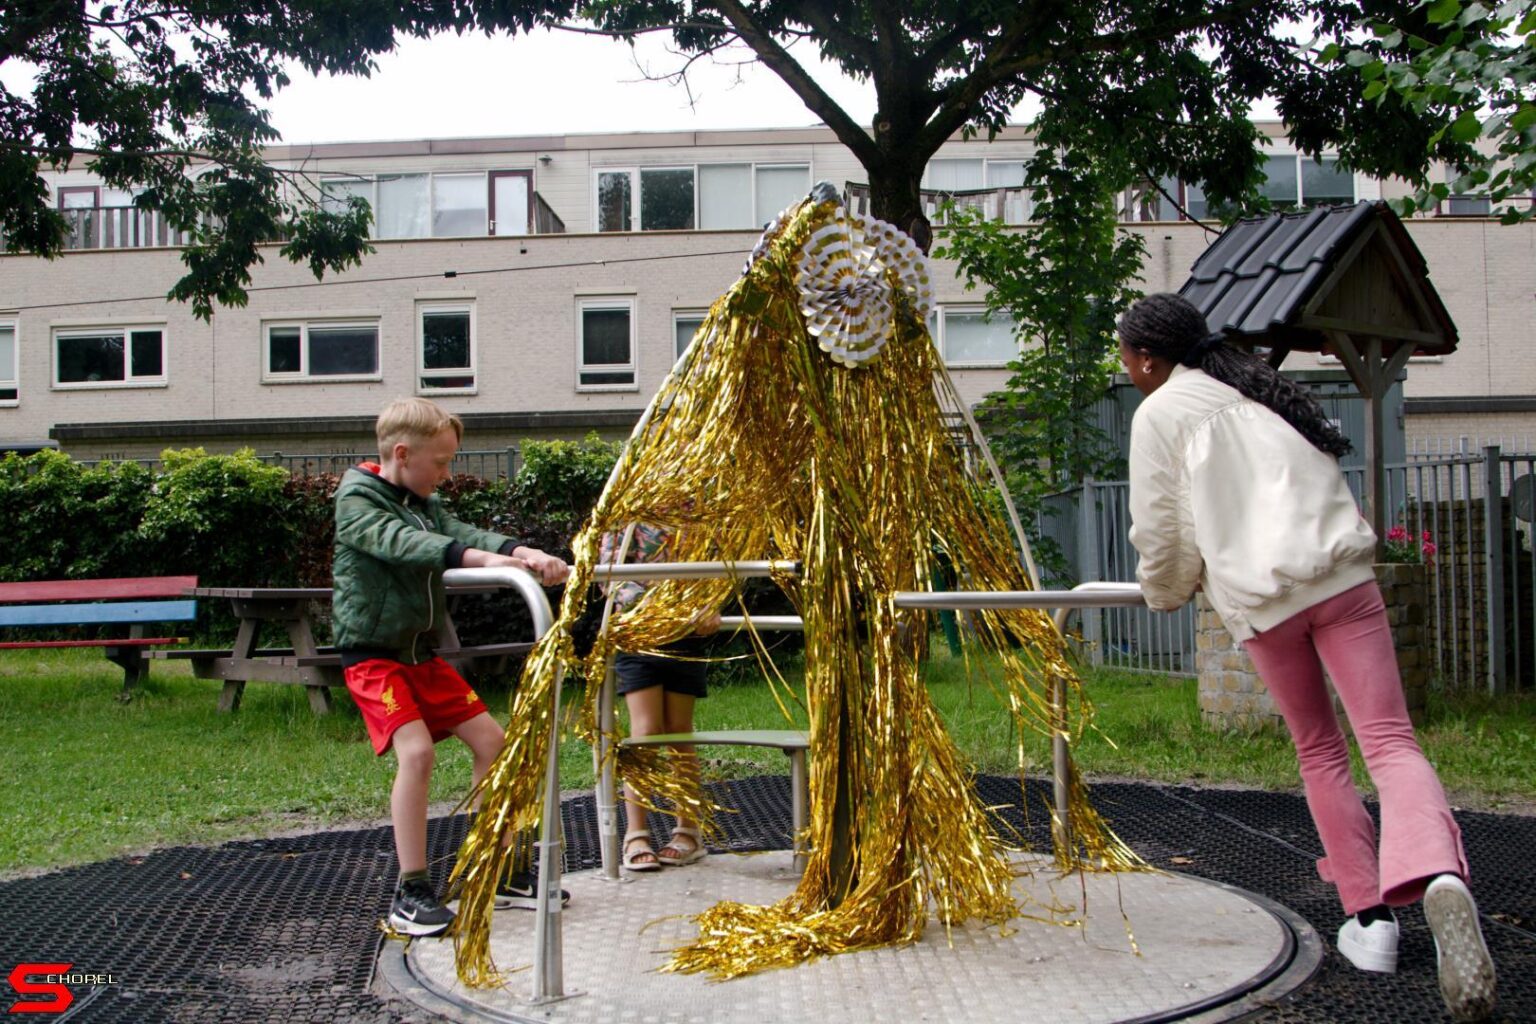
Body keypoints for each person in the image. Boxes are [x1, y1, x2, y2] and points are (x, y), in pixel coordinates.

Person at [1118, 293, 1497, 1022]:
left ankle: (1369, 922)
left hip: (1266, 603)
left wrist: (1165, 593)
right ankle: (1440, 875)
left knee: (1320, 750)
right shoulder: (1263, 391)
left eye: (1127, 356)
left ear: (1146, 359)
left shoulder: (1161, 413)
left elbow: (1162, 531)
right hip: (1343, 578)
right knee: (1389, 741)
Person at [333, 397, 571, 937]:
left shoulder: (422, 500)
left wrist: (520, 550)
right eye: (440, 462)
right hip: (374, 656)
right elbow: (401, 544)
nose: (446, 473)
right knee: (416, 753)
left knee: (493, 742)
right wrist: (483, 561)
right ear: (401, 453)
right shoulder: (359, 499)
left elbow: (463, 533)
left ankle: (497, 866)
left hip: (420, 656)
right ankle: (411, 890)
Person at [599, 523, 721, 871]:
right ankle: (636, 833)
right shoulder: (628, 517)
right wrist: (663, 609)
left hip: (686, 636)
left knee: (679, 729)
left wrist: (707, 604)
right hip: (640, 633)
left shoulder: (698, 516)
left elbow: (717, 568)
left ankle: (688, 831)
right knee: (646, 731)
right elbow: (612, 575)